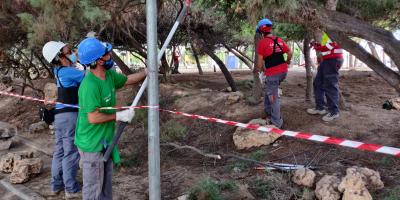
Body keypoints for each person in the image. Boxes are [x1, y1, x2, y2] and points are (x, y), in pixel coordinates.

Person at [75, 37, 146, 200]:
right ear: (98, 61)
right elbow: (93, 117)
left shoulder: (109, 76)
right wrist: (119, 115)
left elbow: (127, 80)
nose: (109, 55)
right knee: (93, 188)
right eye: (106, 53)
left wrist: (146, 72)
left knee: (105, 186)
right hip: (91, 144)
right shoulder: (89, 86)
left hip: (104, 141)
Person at [42, 41, 84, 199]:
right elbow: (90, 77)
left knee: (59, 152)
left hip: (59, 116)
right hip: (70, 116)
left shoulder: (58, 70)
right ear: (60, 56)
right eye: (69, 51)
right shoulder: (68, 72)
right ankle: (71, 189)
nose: (73, 53)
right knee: (71, 152)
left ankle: (55, 186)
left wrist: (76, 60)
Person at [255, 18, 293, 128]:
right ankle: (268, 112)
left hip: (273, 74)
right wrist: (287, 61)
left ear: (261, 32)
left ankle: (277, 123)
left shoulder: (262, 43)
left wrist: (262, 71)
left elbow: (259, 63)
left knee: (273, 97)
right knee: (269, 90)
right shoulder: (279, 40)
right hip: (283, 72)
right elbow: (289, 52)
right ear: (270, 29)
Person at [307, 32, 344, 121]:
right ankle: (320, 108)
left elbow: (330, 46)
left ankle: (334, 112)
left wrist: (316, 46)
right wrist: (316, 44)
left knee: (330, 85)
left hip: (333, 60)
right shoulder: (325, 34)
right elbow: (326, 46)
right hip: (327, 60)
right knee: (317, 83)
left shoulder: (333, 31)